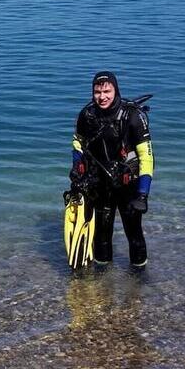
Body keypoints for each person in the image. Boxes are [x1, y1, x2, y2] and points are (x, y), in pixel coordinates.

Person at [69, 71, 154, 269]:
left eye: (107, 91)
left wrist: (143, 193)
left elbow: (147, 157)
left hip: (128, 186)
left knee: (134, 234)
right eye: (98, 92)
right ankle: (101, 281)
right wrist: (76, 167)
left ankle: (139, 279)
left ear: (116, 91)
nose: (102, 96)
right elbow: (77, 143)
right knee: (101, 233)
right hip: (100, 184)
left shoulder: (132, 116)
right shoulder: (87, 115)